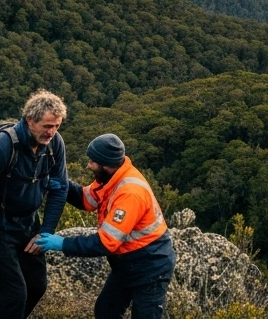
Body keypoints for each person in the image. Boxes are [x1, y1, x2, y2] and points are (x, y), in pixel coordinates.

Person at [34, 134, 175, 319]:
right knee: (106, 311)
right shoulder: (110, 179)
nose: (88, 165)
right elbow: (87, 199)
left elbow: (105, 243)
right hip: (126, 264)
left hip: (150, 265)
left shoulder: (130, 193)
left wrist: (62, 244)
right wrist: (63, 184)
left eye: (93, 162)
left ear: (106, 165)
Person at [0, 89, 70, 318]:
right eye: (47, 126)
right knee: (14, 295)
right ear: (30, 120)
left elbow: (59, 188)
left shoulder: (54, 144)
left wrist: (46, 232)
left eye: (56, 126)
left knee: (37, 287)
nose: (52, 132)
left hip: (29, 223)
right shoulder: (2, 146)